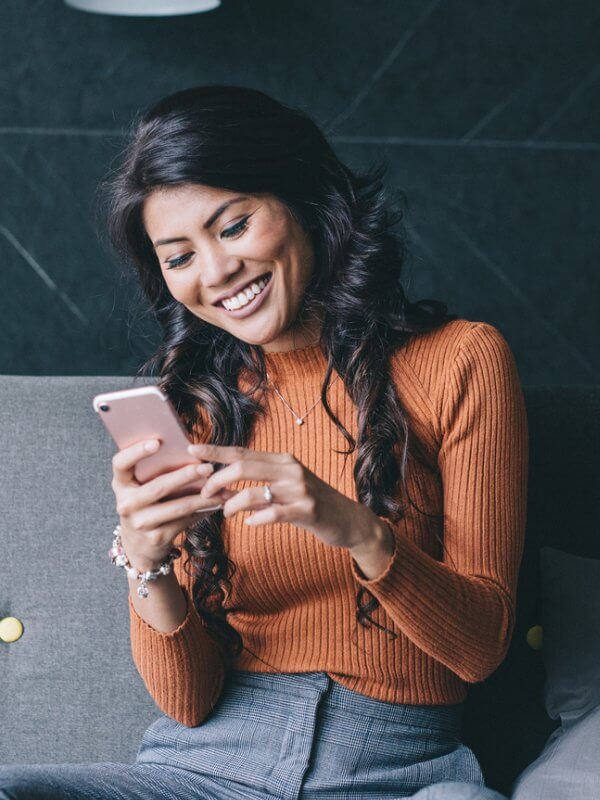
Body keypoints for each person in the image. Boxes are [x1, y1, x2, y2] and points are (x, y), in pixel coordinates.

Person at [0, 84, 527, 800]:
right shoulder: (193, 407)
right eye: (178, 257)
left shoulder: (461, 361)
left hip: (397, 774)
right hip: (199, 774)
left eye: (234, 226)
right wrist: (148, 564)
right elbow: (187, 704)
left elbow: (479, 649)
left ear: (305, 196)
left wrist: (358, 530)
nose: (215, 273)